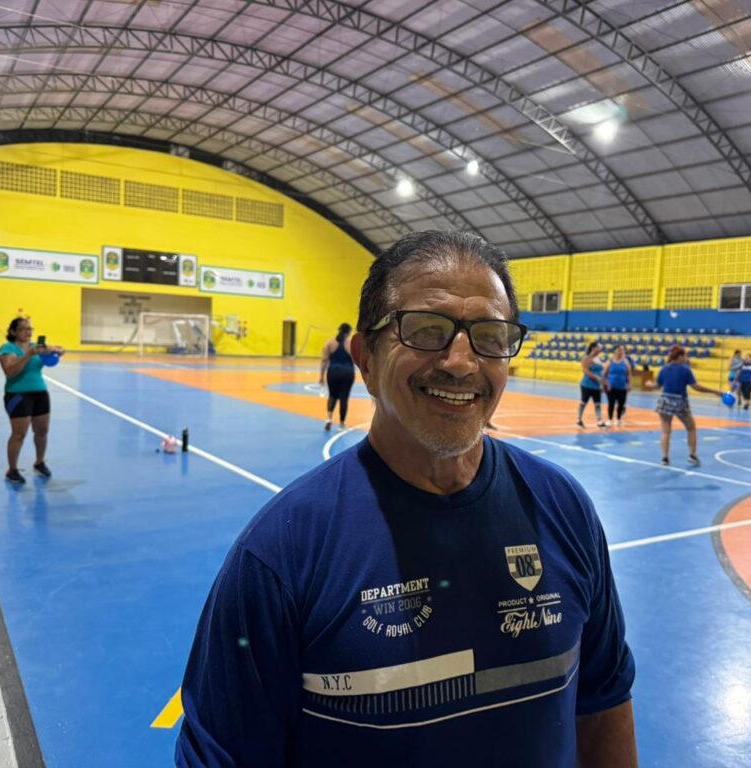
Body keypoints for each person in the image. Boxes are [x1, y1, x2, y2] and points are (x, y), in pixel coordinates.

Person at [176, 231, 638, 768]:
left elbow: (603, 702)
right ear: (366, 359)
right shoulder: (282, 554)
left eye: (490, 336)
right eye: (426, 330)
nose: (461, 363)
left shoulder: (564, 508)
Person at [0, 317, 65, 484]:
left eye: (30, 328)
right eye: (23, 329)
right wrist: (29, 354)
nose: (28, 332)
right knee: (19, 434)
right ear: (13, 332)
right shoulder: (8, 348)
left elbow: (57, 350)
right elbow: (10, 371)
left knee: (42, 431)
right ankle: (12, 470)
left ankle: (39, 462)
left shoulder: (36, 347)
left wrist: (58, 350)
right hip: (18, 395)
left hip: (40, 393)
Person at [651, 345, 726, 466]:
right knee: (691, 428)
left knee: (665, 432)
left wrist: (649, 385)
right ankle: (692, 455)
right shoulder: (685, 370)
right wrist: (714, 391)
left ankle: (665, 458)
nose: (686, 358)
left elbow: (656, 386)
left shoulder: (664, 369)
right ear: (680, 356)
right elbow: (696, 386)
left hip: (665, 401)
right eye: (685, 355)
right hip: (680, 402)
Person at [320, 322, 356, 431]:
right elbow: (356, 360)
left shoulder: (329, 343)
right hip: (347, 373)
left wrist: (321, 376)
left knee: (332, 396)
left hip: (333, 372)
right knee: (344, 398)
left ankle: (328, 418)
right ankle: (341, 424)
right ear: (349, 332)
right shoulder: (350, 344)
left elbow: (324, 360)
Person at [578, 340, 607, 428]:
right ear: (593, 348)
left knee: (597, 403)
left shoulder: (598, 359)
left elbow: (601, 371)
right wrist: (597, 378)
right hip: (587, 384)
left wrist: (602, 382)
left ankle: (599, 421)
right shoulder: (586, 358)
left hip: (596, 385)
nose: (600, 348)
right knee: (583, 402)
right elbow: (586, 371)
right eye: (599, 347)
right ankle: (579, 420)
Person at [604, 344, 632, 427]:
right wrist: (606, 384)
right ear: (614, 351)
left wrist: (629, 384)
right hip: (611, 386)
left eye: (621, 350)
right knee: (611, 403)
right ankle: (610, 419)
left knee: (621, 404)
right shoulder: (609, 362)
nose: (620, 352)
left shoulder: (625, 362)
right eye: (618, 350)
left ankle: (619, 419)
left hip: (622, 387)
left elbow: (629, 374)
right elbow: (604, 375)